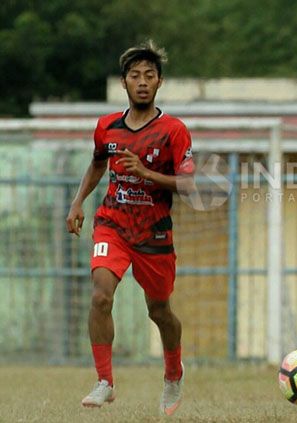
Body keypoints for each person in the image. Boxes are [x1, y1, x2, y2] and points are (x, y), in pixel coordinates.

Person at [66, 40, 194, 416]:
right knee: (101, 296)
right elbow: (97, 165)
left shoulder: (173, 130)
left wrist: (146, 172)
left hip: (154, 235)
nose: (142, 81)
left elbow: (187, 184)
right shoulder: (107, 127)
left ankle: (173, 374)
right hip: (113, 226)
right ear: (123, 82)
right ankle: (105, 381)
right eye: (135, 75)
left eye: (149, 76)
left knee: (160, 312)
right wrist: (77, 202)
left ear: (160, 82)